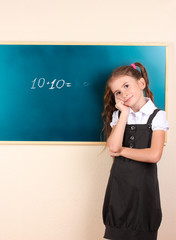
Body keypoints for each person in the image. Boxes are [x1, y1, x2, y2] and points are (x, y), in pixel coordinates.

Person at [101, 62, 169, 240]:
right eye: (118, 92)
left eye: (126, 86)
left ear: (141, 83)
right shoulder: (119, 115)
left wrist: (122, 151)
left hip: (143, 188)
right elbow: (113, 147)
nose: (123, 93)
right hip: (119, 186)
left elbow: (154, 155)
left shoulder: (157, 115)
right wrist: (124, 113)